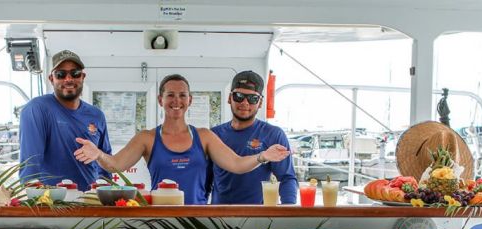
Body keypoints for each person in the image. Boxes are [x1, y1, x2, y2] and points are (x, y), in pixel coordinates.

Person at [73, 74, 290, 205]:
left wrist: (263, 156)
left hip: (199, 221)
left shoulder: (204, 136)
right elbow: (115, 165)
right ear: (160, 99)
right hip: (161, 221)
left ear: (190, 100)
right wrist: (98, 154)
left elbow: (236, 164)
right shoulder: (147, 138)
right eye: (170, 95)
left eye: (182, 95)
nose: (176, 100)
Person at [19, 50, 111, 191]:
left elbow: (105, 166)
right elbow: (30, 168)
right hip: (51, 204)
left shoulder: (96, 115)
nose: (68, 79)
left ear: (83, 77)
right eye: (61, 74)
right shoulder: (36, 109)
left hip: (89, 202)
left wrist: (106, 196)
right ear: (51, 79)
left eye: (75, 73)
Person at [209, 71, 298, 204]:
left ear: (260, 103)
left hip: (258, 216)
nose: (245, 103)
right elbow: (204, 181)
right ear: (229, 98)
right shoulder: (214, 135)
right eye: (239, 96)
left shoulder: (273, 134)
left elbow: (286, 178)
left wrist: (289, 211)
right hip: (219, 216)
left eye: (252, 98)